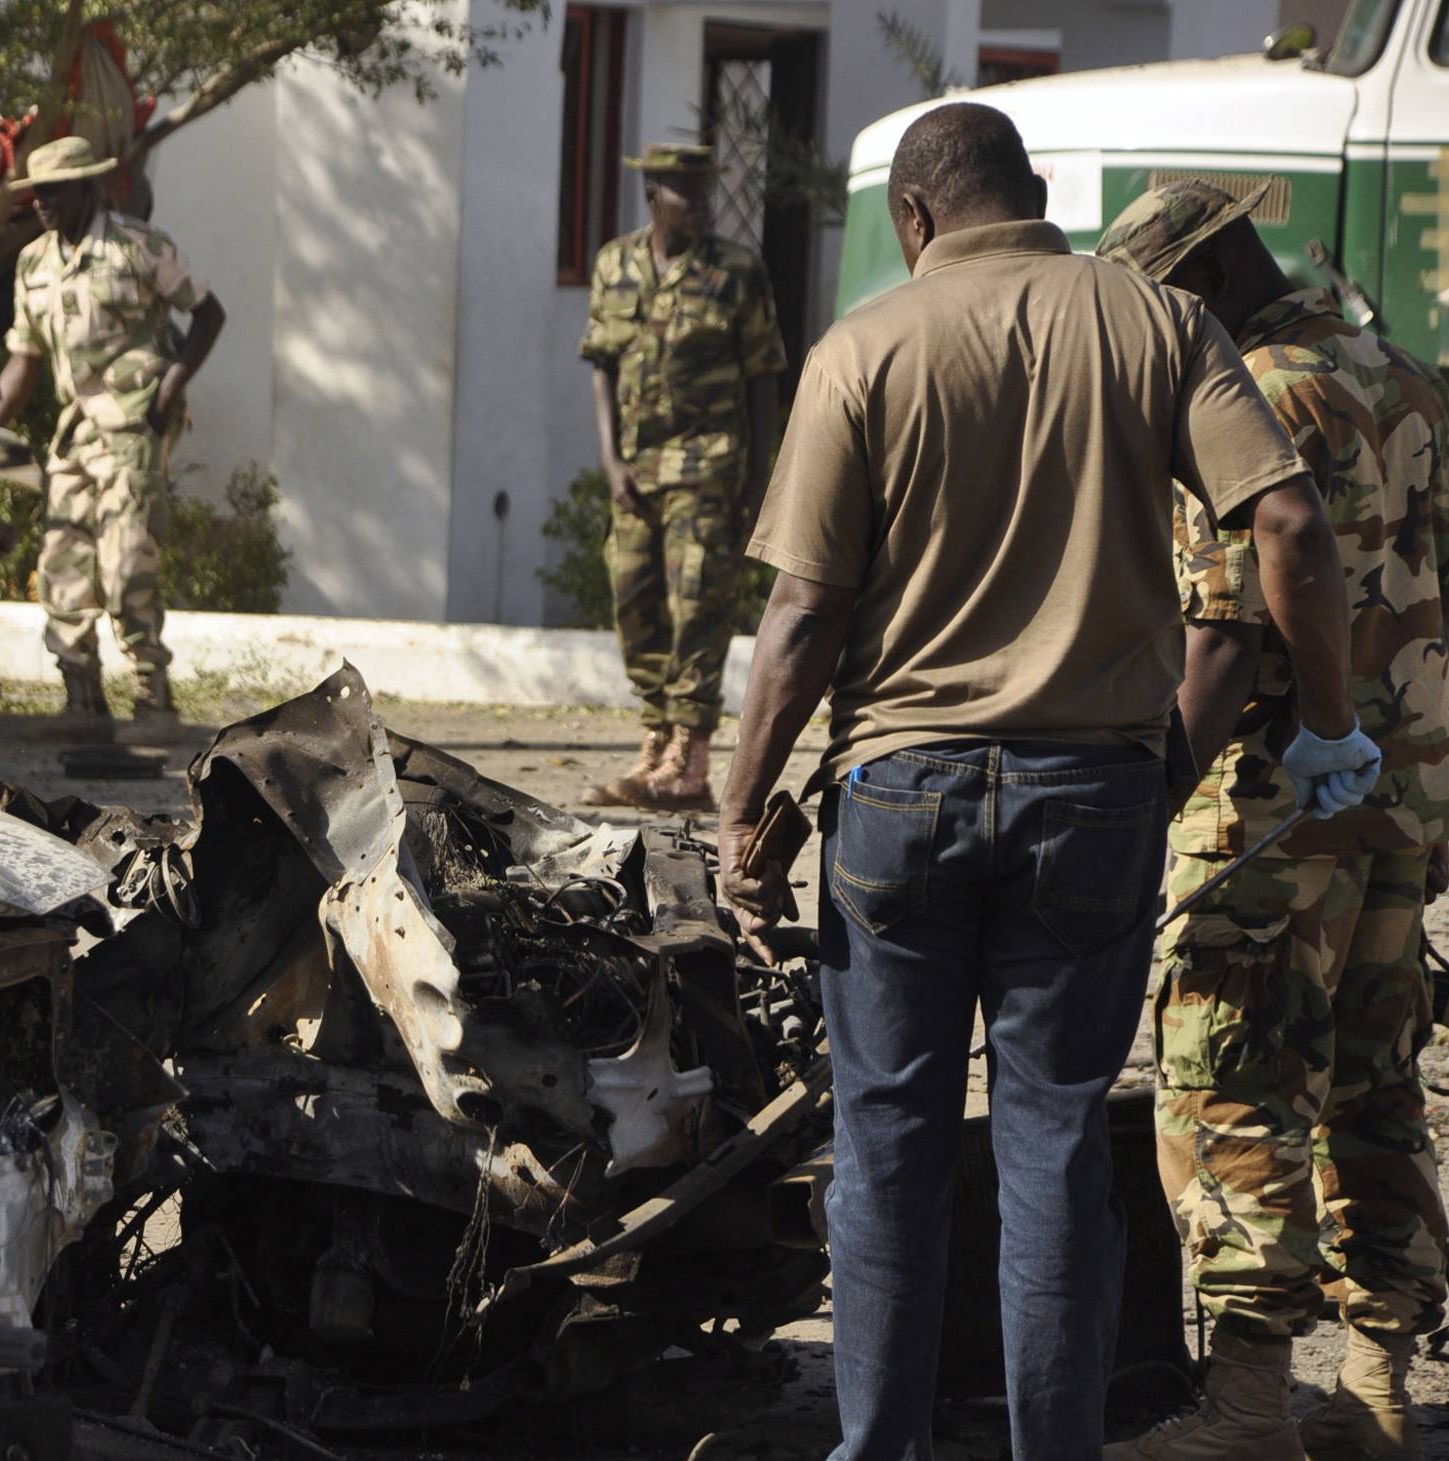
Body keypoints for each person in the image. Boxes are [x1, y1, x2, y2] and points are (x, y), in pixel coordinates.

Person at [714, 103, 1377, 1461]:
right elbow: (1292, 525)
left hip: (899, 796)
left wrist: (740, 813)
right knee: (1055, 1144)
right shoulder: (1155, 325)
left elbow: (800, 618)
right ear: (1032, 195)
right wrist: (1325, 719)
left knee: (888, 1141)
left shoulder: (863, 349)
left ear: (914, 217)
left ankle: (876, 1447)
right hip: (1096, 799)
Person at [1094, 182, 1449, 1461]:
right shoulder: (1404, 370)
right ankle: (1376, 1383)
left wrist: (1140, 810)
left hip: (1270, 812)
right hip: (1402, 793)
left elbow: (1223, 632)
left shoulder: (1240, 391)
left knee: (1233, 1080)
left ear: (1190, 286)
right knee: (1375, 1081)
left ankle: (1250, 1406)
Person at [0, 134, 225, 733]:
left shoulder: (139, 246)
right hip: (76, 431)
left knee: (127, 563)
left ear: (88, 187)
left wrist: (172, 387)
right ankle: (81, 697)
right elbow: (25, 358)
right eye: (37, 192)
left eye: (56, 191)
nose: (43, 202)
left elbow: (208, 312)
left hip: (133, 424)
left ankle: (153, 696)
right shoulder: (33, 262)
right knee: (61, 561)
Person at [579, 141, 784, 811]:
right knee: (634, 602)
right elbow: (602, 368)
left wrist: (760, 487)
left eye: (704, 191)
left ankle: (689, 763)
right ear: (653, 196)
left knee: (698, 608)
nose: (698, 203)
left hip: (709, 469)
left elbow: (764, 380)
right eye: (683, 192)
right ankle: (656, 738)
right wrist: (611, 461)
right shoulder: (615, 264)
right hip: (636, 472)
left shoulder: (737, 272)